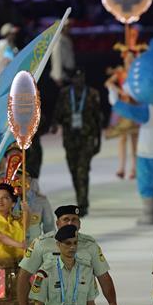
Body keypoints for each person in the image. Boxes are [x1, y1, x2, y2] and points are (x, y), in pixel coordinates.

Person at [17, 205, 118, 305]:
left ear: (79, 224)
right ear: (57, 223)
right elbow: (23, 276)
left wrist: (112, 302)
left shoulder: (89, 245)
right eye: (66, 219)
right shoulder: (42, 244)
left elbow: (103, 276)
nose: (70, 222)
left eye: (74, 219)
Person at [53, 70, 103, 217]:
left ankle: (82, 204)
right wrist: (55, 123)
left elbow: (98, 119)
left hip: (86, 137)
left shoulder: (92, 94)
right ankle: (80, 197)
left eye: (81, 77)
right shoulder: (65, 93)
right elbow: (58, 112)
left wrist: (98, 141)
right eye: (76, 77)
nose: (79, 80)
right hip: (70, 138)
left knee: (83, 170)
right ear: (72, 79)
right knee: (74, 170)